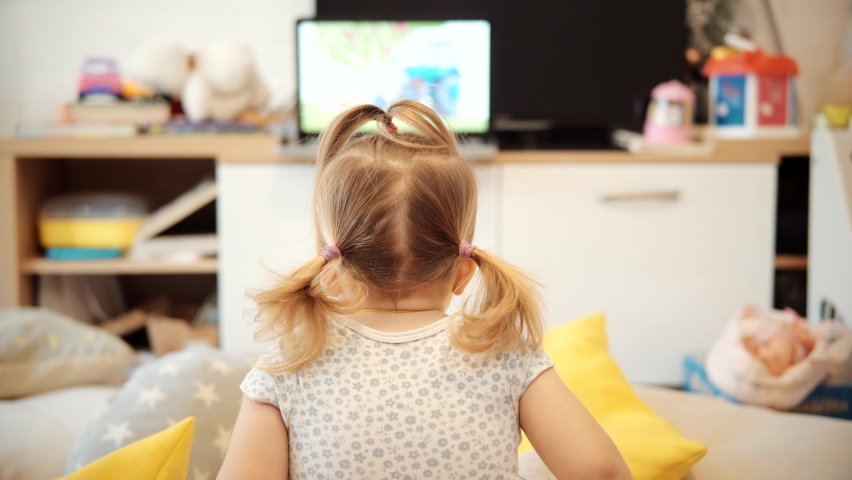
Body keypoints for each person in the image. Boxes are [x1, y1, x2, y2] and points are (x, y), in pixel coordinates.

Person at [218, 100, 631, 480]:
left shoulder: (287, 366)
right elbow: (602, 472)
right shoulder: (504, 354)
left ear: (333, 273)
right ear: (463, 273)